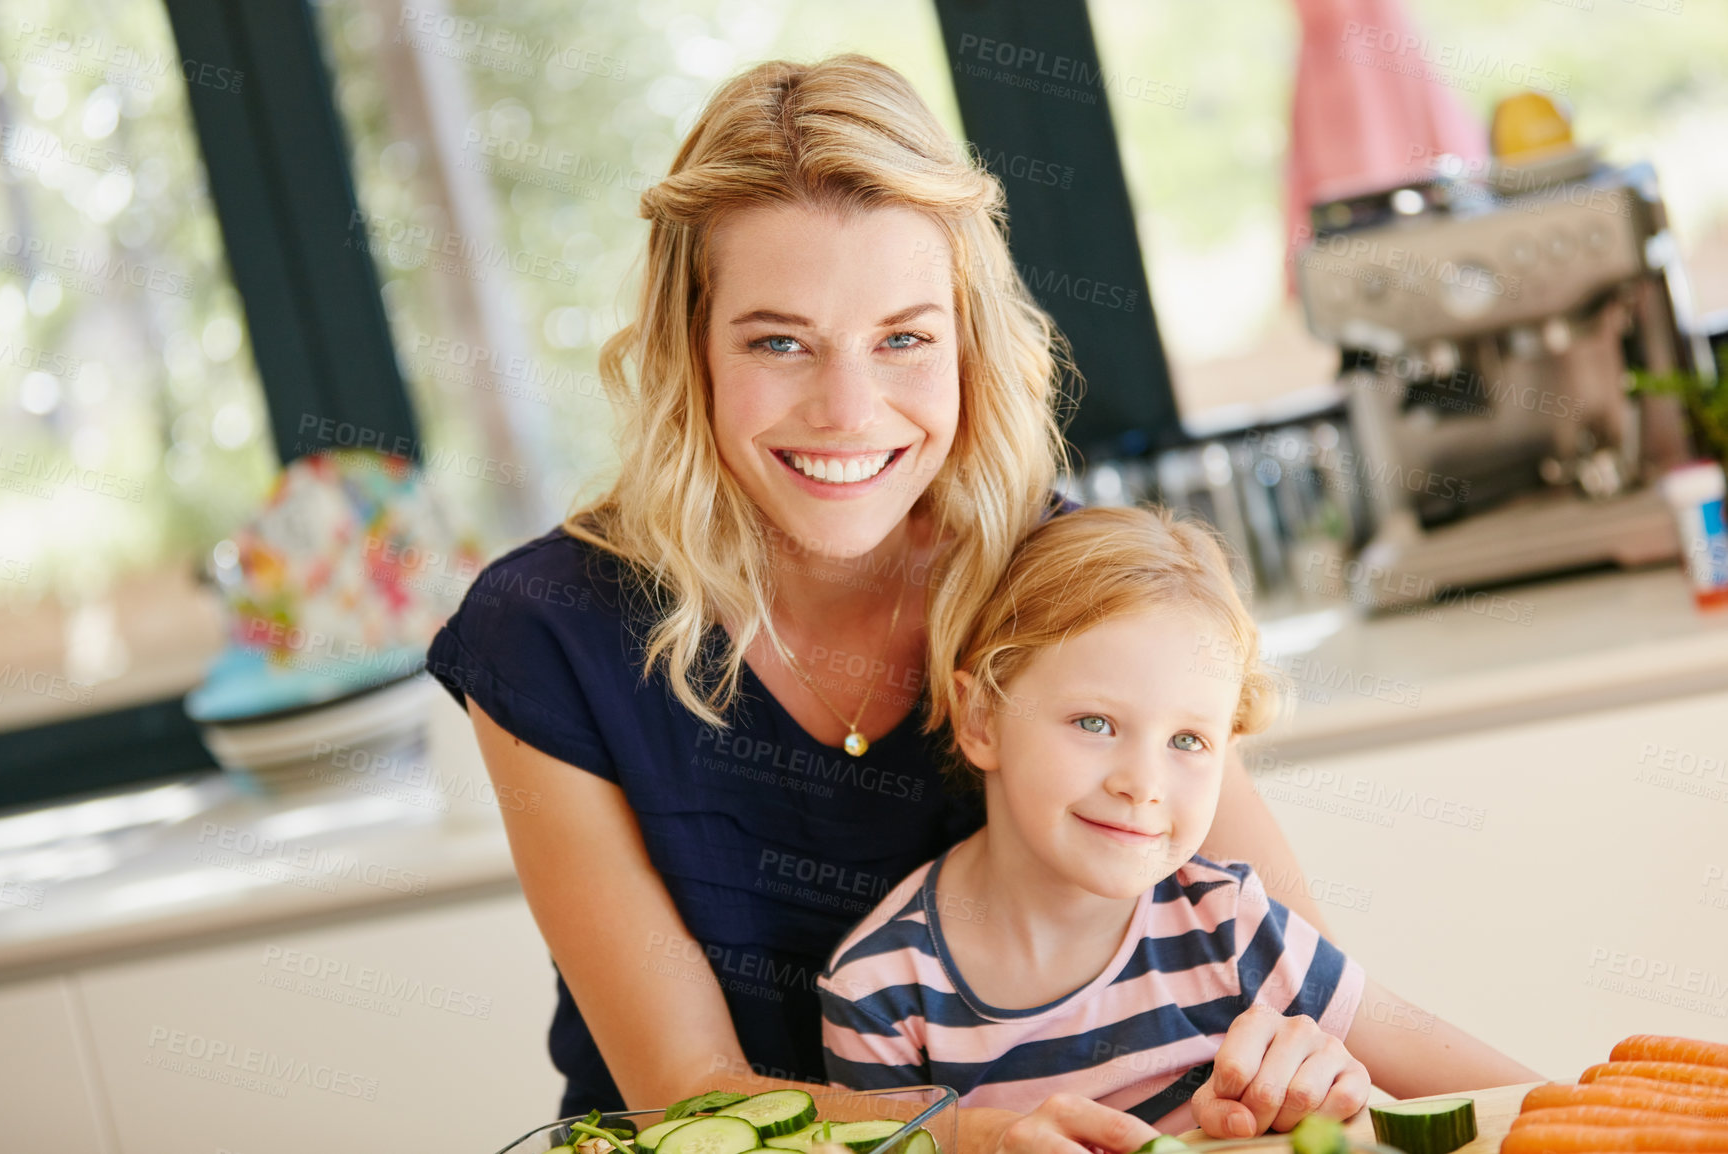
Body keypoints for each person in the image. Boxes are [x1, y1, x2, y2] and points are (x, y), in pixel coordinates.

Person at [424, 52, 1466, 1154]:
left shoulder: (1059, 572)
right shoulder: (544, 629)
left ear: (966, 340)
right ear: (692, 350)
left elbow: (1279, 958)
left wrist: (1292, 1055)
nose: (846, 409)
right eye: (779, 341)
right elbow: (690, 1087)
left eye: (904, 339)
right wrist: (965, 1132)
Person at [817, 506, 1542, 1136]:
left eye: (1188, 741)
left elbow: (1509, 1094)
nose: (1142, 784)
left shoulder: (1234, 927)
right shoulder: (879, 991)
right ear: (980, 720)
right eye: (1095, 722)